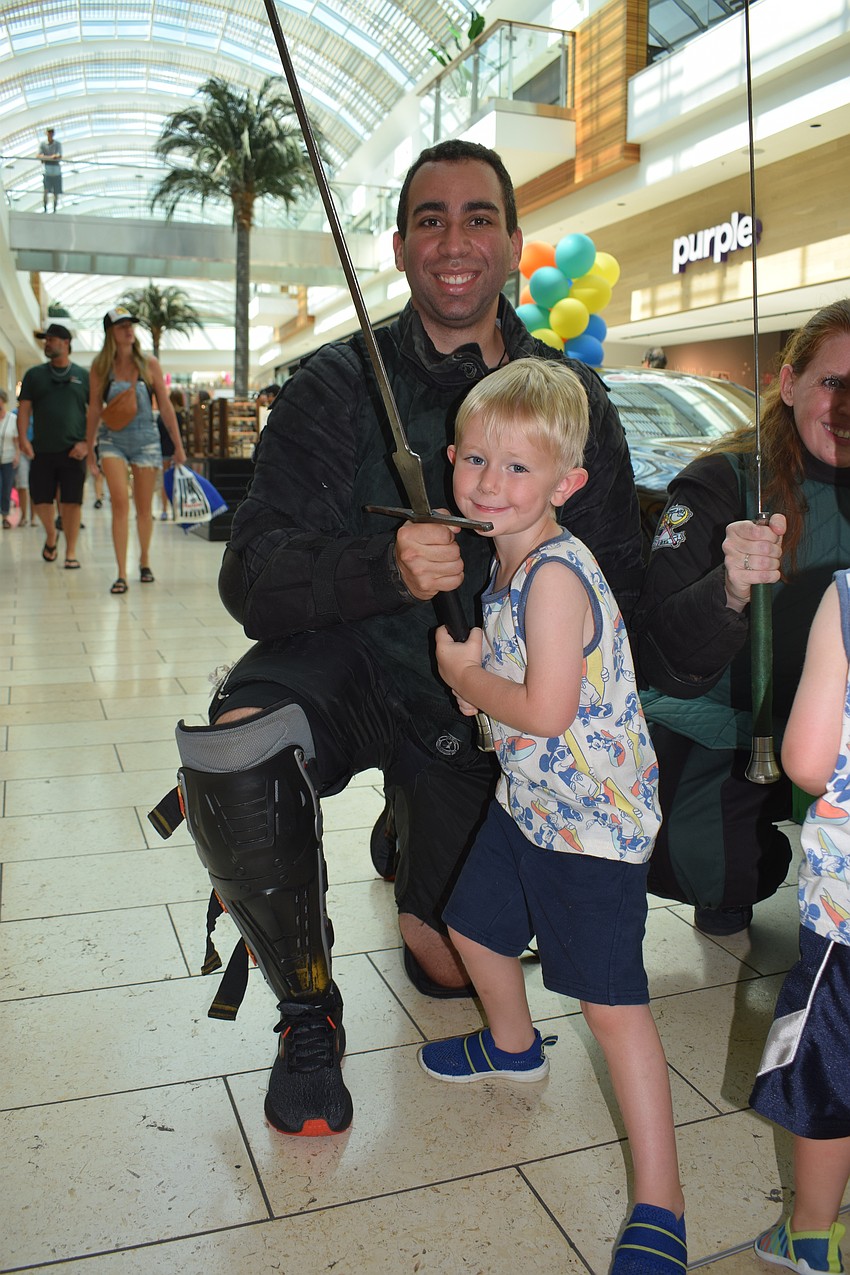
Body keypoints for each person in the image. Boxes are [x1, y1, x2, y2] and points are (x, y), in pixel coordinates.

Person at [151, 139, 642, 1138]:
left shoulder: (569, 398)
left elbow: (619, 588)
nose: (454, 240)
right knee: (241, 744)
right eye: (430, 219)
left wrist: (722, 589)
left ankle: (406, 827)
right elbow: (251, 574)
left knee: (452, 964)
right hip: (348, 665)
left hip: (476, 712)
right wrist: (382, 568)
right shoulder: (333, 382)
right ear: (400, 245)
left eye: (477, 218)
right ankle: (307, 1011)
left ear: (512, 241)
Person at [417, 358, 685, 1272]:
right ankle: (513, 1043)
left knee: (614, 1009)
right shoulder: (509, 561)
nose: (489, 483)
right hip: (531, 800)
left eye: (518, 467)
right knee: (472, 925)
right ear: (450, 459)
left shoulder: (557, 576)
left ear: (567, 484)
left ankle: (662, 1202)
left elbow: (545, 707)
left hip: (592, 826)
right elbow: (518, 694)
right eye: (476, 460)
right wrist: (478, 688)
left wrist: (464, 674)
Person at [631, 299, 850, 935]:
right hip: (733, 721)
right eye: (832, 382)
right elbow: (661, 653)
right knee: (705, 865)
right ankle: (748, 861)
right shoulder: (719, 483)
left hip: (838, 727)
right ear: (789, 383)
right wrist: (727, 590)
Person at [749, 572, 850, 1274]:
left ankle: (812, 1232)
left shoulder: (846, 597)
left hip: (845, 918)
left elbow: (809, 763)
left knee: (831, 1068)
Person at [86, 306, 186, 594]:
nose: (128, 330)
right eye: (121, 326)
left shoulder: (149, 364)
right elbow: (95, 410)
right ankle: (121, 573)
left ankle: (144, 560)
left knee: (144, 508)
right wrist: (90, 446)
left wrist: (178, 446)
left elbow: (165, 407)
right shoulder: (100, 367)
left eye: (130, 325)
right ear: (110, 333)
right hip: (112, 441)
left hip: (146, 441)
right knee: (119, 502)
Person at [17, 322, 89, 567]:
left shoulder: (83, 376)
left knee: (72, 502)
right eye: (45, 340)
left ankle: (71, 552)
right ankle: (51, 535)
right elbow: (24, 409)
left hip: (74, 450)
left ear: (66, 343)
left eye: (51, 339)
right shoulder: (34, 375)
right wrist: (23, 439)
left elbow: (96, 413)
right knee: (41, 500)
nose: (46, 344)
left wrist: (87, 443)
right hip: (42, 450)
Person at [157, 388, 185, 519]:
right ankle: (175, 510)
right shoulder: (180, 417)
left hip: (163, 451)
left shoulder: (161, 417)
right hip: (176, 452)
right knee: (176, 481)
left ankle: (164, 510)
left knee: (165, 481)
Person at [0, 389, 19, 528]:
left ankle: (5, 516)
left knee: (6, 489)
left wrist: (17, 455)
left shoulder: (12, 419)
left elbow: (17, 441)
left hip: (8, 459)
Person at [37, 128, 62, 213]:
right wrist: (51, 157)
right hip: (47, 171)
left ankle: (54, 209)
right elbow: (38, 156)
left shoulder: (57, 144)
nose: (50, 134)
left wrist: (45, 158)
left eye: (52, 132)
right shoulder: (43, 144)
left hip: (56, 171)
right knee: (46, 190)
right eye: (49, 132)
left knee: (56, 192)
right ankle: (45, 208)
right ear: (46, 133)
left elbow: (59, 156)